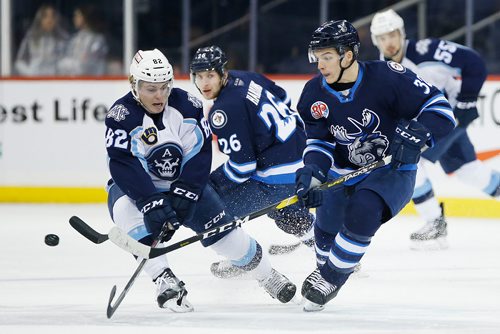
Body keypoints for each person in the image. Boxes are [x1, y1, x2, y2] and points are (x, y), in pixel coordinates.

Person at [105, 48, 297, 313]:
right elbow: (122, 163)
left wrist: (187, 191)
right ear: (134, 85)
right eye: (151, 89)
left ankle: (267, 274)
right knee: (125, 210)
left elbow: (200, 152)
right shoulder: (120, 116)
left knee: (228, 237)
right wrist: (149, 201)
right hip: (140, 189)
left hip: (184, 183)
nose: (159, 96)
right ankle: (165, 279)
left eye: (164, 87)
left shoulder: (188, 105)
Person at [295, 20, 455, 312]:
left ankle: (332, 276)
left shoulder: (389, 77)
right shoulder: (312, 95)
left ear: (348, 55)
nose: (320, 64)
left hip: (392, 170)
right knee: (326, 222)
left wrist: (420, 133)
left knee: (363, 210)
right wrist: (313, 173)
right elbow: (319, 144)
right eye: (317, 57)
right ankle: (328, 267)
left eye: (327, 56)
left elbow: (441, 111)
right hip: (343, 173)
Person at [370, 9, 500, 249]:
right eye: (382, 38)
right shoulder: (381, 69)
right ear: (376, 41)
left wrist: (467, 101)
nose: (388, 42)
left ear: (401, 33)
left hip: (448, 118)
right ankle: (435, 223)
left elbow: (473, 62)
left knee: (410, 160)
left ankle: (434, 223)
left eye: (392, 35)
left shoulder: (424, 51)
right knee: (470, 171)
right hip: (428, 122)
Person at [189, 45, 316, 276]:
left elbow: (242, 168)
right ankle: (325, 247)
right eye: (199, 76)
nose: (204, 83)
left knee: (214, 209)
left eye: (210, 75)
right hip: (302, 159)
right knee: (284, 210)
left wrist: (209, 185)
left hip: (277, 177)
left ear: (222, 73)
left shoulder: (224, 110)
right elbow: (284, 98)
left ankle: (242, 259)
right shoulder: (247, 77)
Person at [14, 4, 69, 76]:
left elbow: (68, 61)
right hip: (35, 79)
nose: (49, 20)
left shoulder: (63, 39)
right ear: (40, 19)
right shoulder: (31, 37)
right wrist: (29, 73)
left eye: (52, 17)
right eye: (45, 17)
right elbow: (19, 61)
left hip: (56, 80)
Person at [59, 5, 108, 75]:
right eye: (74, 16)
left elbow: (88, 65)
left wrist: (74, 63)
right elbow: (62, 63)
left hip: (92, 81)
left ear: (86, 17)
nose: (74, 18)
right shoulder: (74, 39)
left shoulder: (97, 39)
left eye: (78, 16)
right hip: (72, 80)